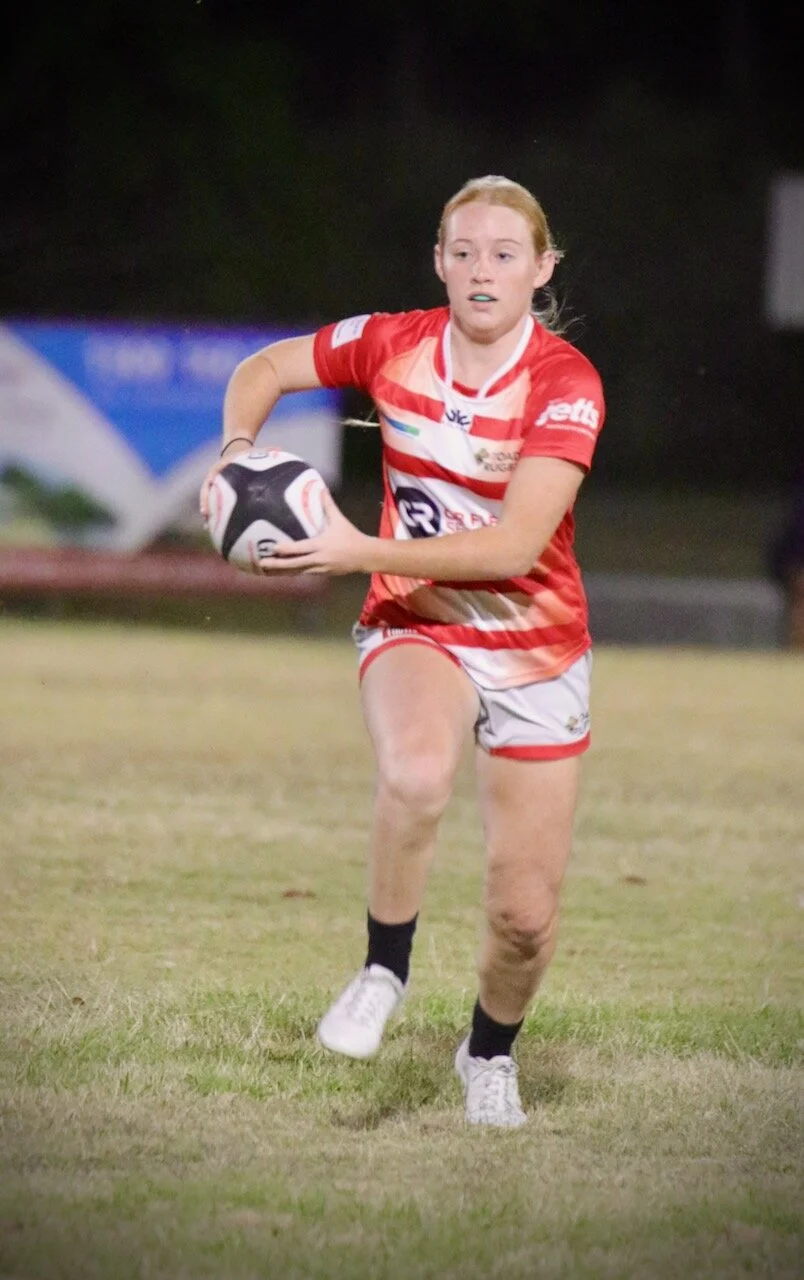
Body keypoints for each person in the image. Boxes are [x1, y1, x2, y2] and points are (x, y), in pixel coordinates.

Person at [200, 175, 606, 1128]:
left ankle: (488, 1056)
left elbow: (513, 550)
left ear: (542, 270)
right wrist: (233, 451)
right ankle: (383, 970)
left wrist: (355, 547)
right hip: (417, 619)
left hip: (537, 649)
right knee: (418, 774)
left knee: (524, 919)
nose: (481, 270)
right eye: (462, 250)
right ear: (438, 260)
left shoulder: (564, 383)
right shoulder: (393, 341)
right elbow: (261, 368)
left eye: (505, 254)